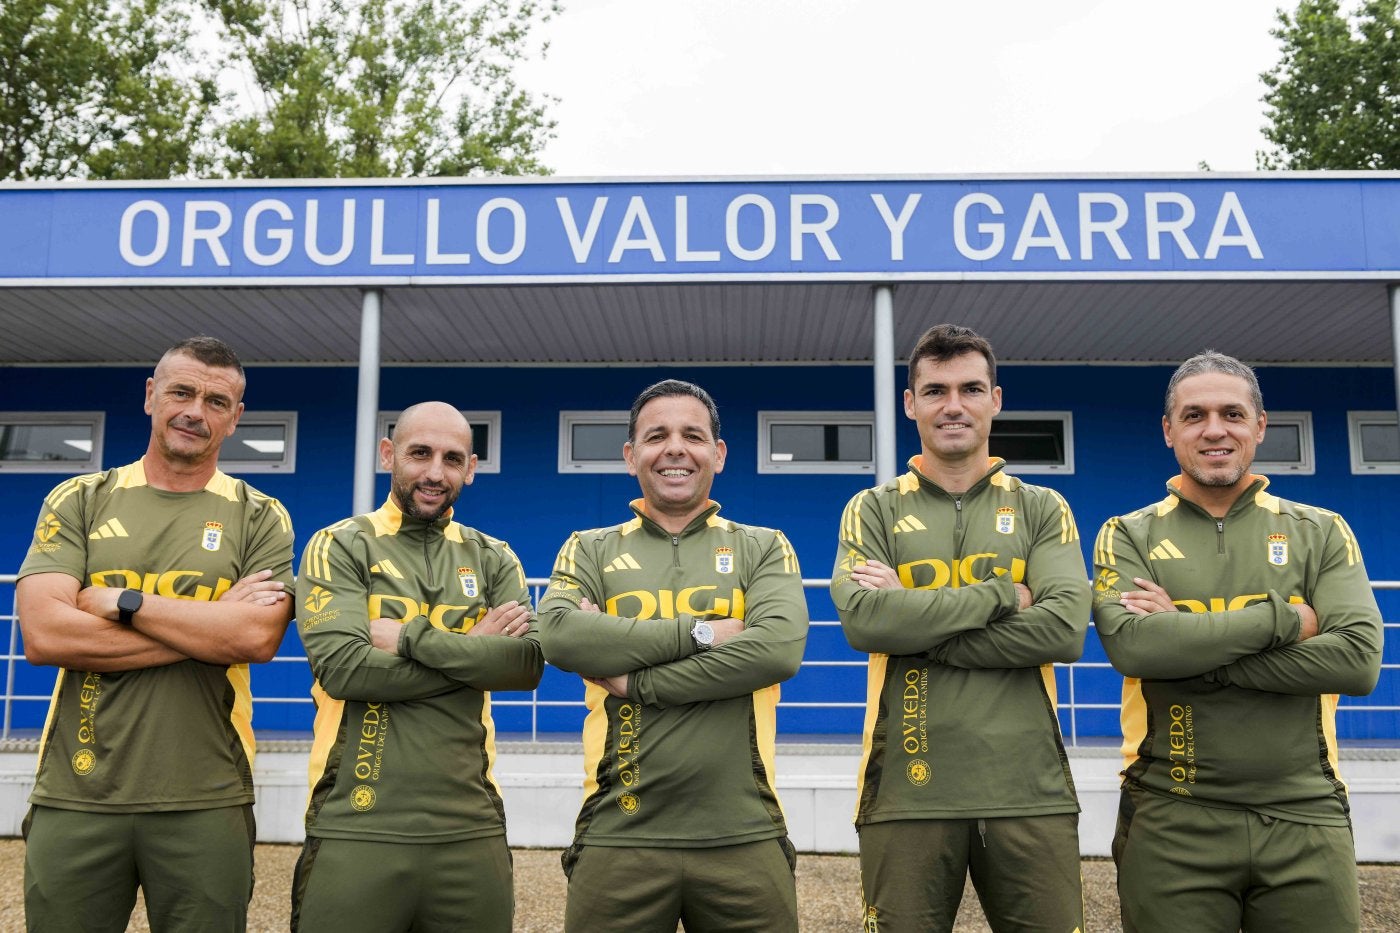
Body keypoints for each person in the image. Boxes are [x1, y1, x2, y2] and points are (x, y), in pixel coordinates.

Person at [1092, 350, 1383, 932]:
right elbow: (1136, 650)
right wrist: (1284, 621)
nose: (1215, 429)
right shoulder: (1127, 533)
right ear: (1169, 430)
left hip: (1305, 810)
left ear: (1260, 426)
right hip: (1171, 813)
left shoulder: (1320, 530)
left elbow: (1357, 660)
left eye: (1232, 413)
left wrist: (1192, 649)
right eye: (1194, 415)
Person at [15, 336, 295, 932]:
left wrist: (122, 603)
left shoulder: (259, 514)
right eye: (182, 392)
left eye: (217, 401)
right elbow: (44, 635)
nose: (196, 410)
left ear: (235, 417)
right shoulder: (80, 499)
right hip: (76, 789)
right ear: (150, 396)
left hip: (207, 794)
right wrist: (209, 625)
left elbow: (256, 640)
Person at [832, 323, 1089, 932]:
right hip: (905, 791)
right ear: (910, 403)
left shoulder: (1042, 507)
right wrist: (1004, 594)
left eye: (971, 388)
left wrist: (915, 617)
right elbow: (867, 622)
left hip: (1029, 791)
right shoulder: (873, 508)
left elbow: (1064, 633)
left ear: (995, 400)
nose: (953, 406)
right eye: (936, 390)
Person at [535, 379, 809, 933]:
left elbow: (777, 650)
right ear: (631, 455)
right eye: (657, 436)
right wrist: (704, 634)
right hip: (619, 829)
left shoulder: (764, 545)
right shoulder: (589, 547)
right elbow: (561, 637)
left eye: (693, 435)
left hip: (744, 830)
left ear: (719, 454)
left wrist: (638, 682)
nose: (676, 449)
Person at [291, 401, 542, 933]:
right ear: (389, 455)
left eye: (453, 458)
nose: (435, 472)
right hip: (356, 819)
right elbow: (345, 671)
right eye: (419, 453)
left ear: (470, 469)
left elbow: (523, 666)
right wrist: (475, 651)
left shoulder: (493, 556)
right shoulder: (340, 545)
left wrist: (408, 638)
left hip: (470, 824)